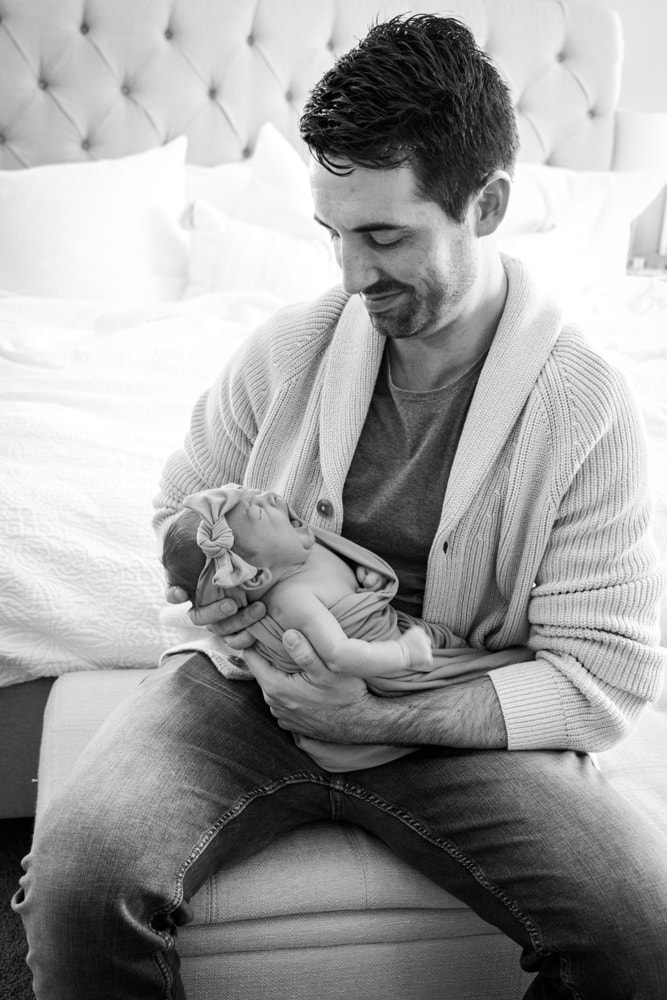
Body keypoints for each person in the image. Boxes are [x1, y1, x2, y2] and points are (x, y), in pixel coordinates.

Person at [14, 13, 667, 1000]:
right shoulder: (288, 347)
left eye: (385, 236)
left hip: (451, 699)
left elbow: (603, 677)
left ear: (486, 204)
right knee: (76, 886)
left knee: (641, 930)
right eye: (332, 234)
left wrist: (377, 709)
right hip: (245, 692)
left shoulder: (584, 409)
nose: (352, 275)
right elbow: (180, 505)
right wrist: (213, 586)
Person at [161, 483, 532, 770]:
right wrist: (403, 653)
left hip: (397, 632)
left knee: (497, 671)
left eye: (254, 494)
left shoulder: (294, 553)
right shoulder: (294, 600)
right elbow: (340, 654)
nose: (270, 496)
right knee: (482, 671)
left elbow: (340, 584)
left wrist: (366, 582)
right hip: (385, 671)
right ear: (256, 576)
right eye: (258, 510)